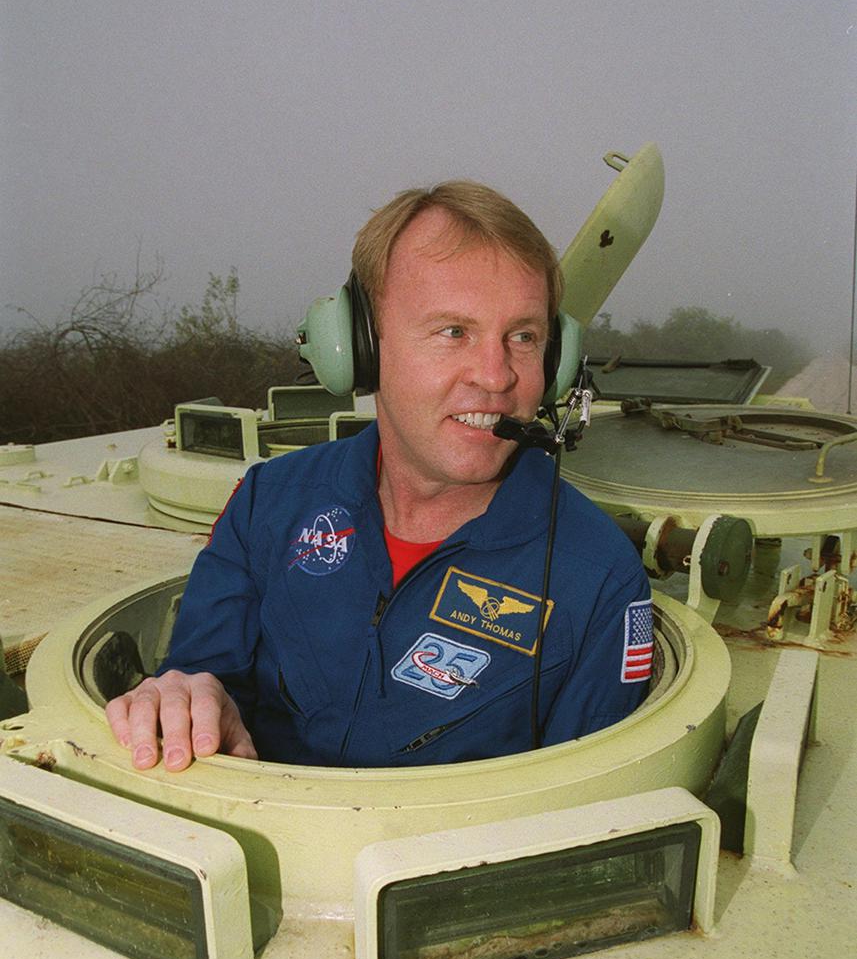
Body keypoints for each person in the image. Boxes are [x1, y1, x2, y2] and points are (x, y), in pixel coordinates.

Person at [106, 181, 652, 771]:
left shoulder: (599, 581)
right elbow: (199, 669)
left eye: (522, 337)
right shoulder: (270, 503)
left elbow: (580, 815)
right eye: (454, 332)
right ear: (359, 346)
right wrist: (190, 697)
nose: (497, 377)